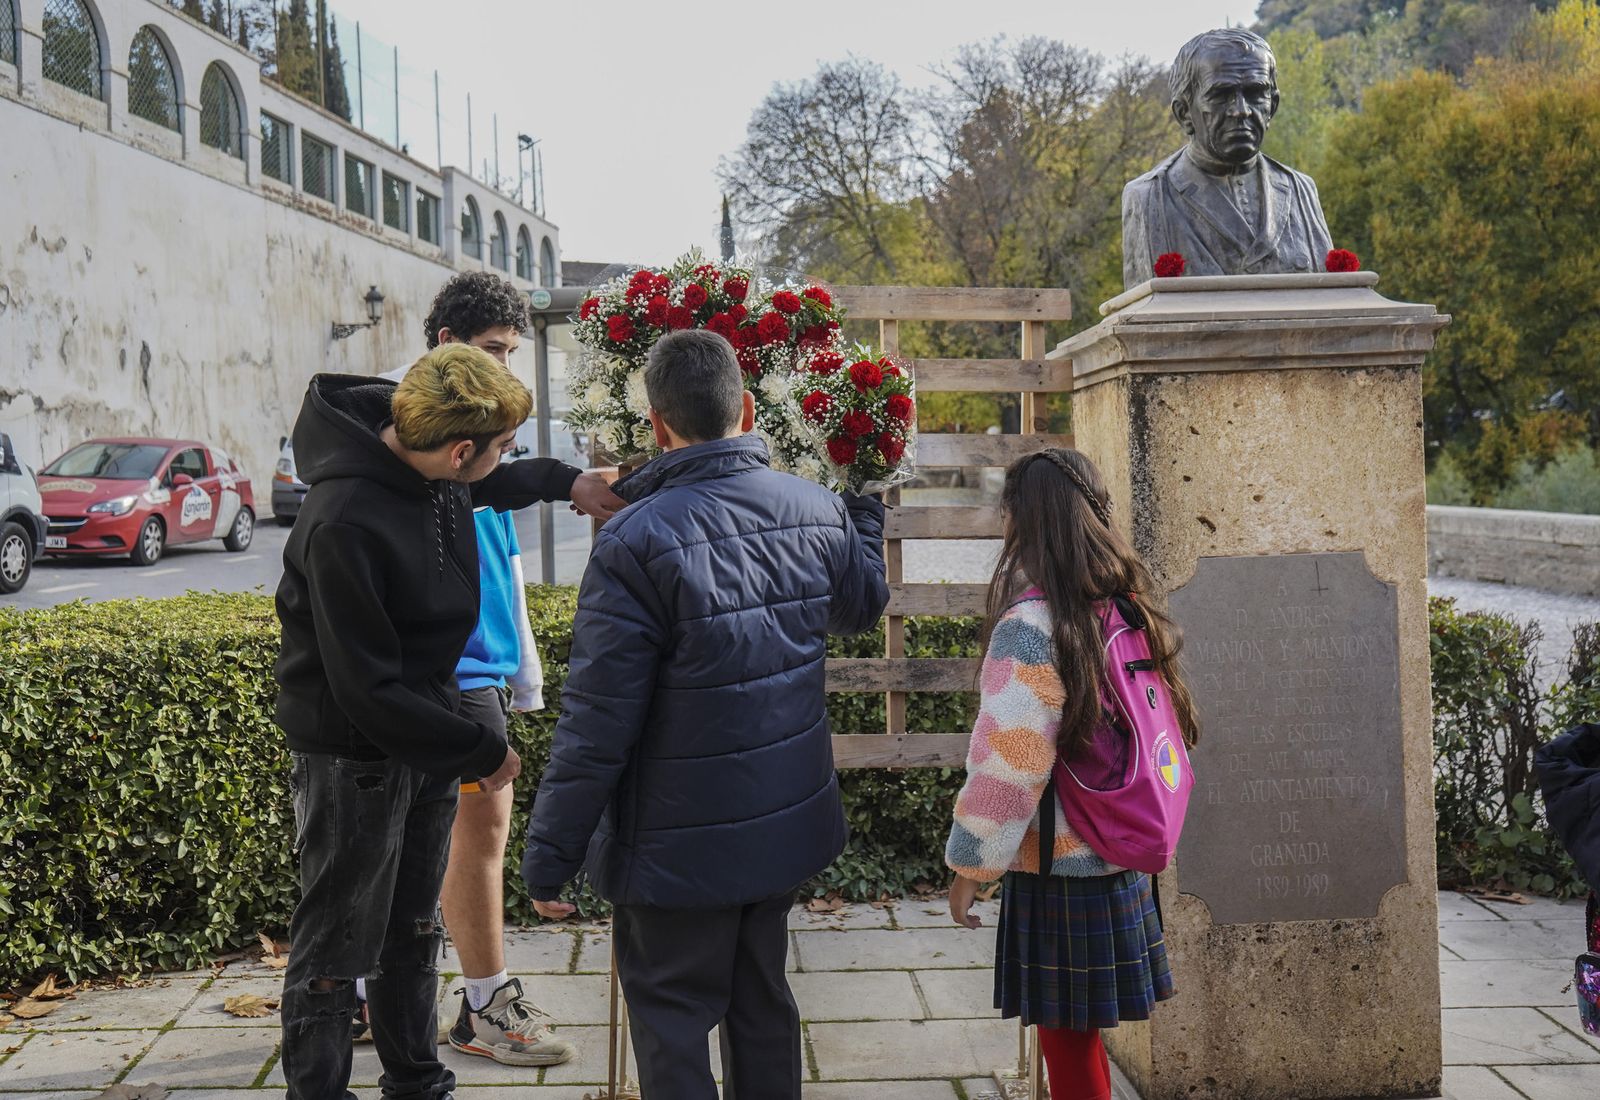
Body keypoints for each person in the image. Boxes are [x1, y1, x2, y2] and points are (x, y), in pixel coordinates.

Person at [519, 329, 889, 1098]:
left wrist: (550, 854)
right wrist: (861, 502)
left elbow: (596, 723)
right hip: (780, 823)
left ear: (657, 423)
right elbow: (863, 605)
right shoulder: (815, 508)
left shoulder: (632, 542)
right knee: (762, 1003)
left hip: (673, 845)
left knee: (675, 1021)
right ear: (746, 409)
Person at [274, 345, 591, 1100]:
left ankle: (417, 1082)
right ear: (458, 450)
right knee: (334, 945)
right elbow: (367, 688)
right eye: (501, 444)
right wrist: (481, 748)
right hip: (356, 755)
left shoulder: (427, 469)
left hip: (423, 733)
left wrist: (566, 480)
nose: (505, 457)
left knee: (413, 928)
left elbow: (496, 482)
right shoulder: (344, 520)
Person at [351, 272, 622, 1067]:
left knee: (430, 835)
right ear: (445, 347)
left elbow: (502, 491)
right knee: (479, 829)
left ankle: (375, 995)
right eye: (495, 351)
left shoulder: (455, 431)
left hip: (477, 658)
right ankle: (483, 1005)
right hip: (453, 667)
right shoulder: (430, 432)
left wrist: (566, 480)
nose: (506, 369)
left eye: (514, 354)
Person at [945, 448, 1199, 1100]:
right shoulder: (1121, 605)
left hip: (1062, 868)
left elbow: (1010, 768)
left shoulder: (1032, 627)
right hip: (1118, 852)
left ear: (1024, 522)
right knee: (1079, 1041)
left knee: (1069, 1044)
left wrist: (971, 869)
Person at [1121, 27, 1333, 287]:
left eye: (1255, 93)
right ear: (1184, 113)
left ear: (1272, 106)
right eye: (1221, 95)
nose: (1241, 111)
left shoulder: (1301, 191)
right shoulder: (1148, 198)